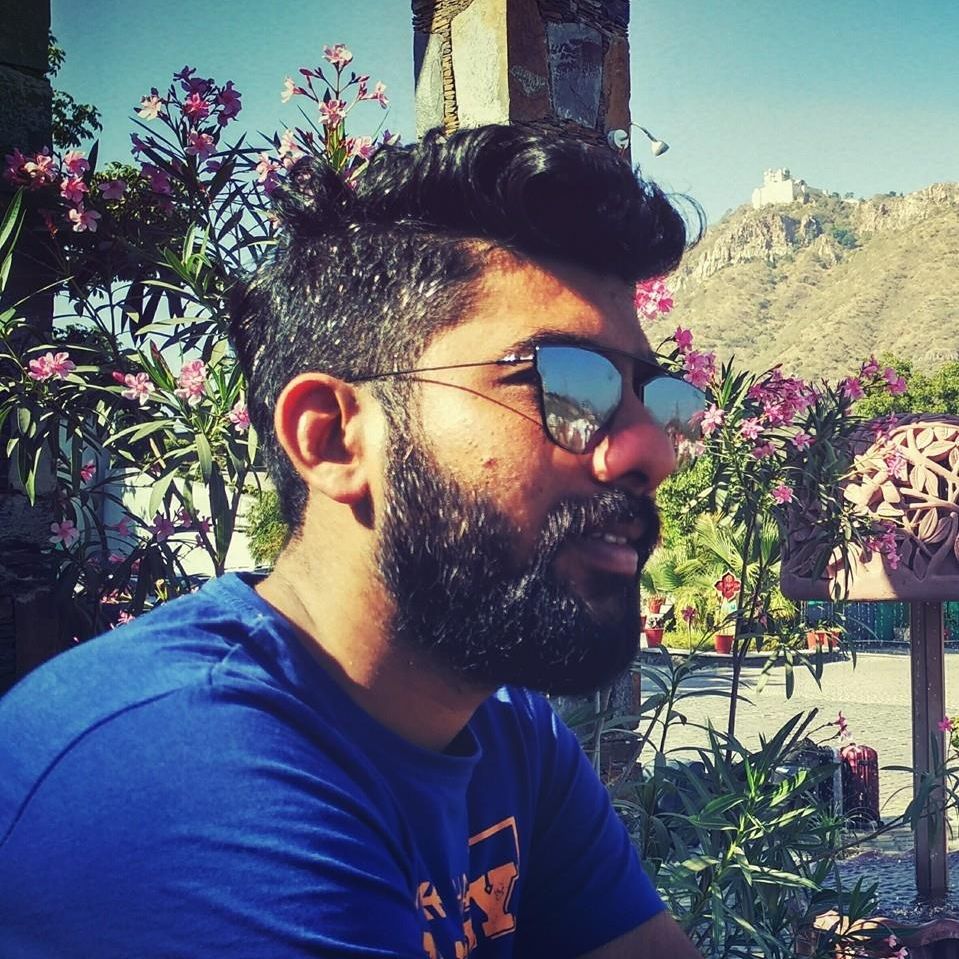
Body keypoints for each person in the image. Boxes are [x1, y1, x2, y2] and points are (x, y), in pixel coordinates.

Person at [0, 124, 704, 958]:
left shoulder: (507, 734)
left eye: (655, 397)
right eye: (568, 381)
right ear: (333, 438)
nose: (651, 451)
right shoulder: (178, 772)